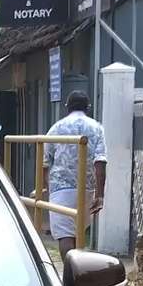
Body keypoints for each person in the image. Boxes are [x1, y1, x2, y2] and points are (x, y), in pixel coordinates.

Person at [42, 90, 107, 263]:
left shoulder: (56, 128)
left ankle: (71, 276)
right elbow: (100, 161)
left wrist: (48, 188)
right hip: (87, 187)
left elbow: (45, 162)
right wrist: (100, 194)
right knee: (78, 233)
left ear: (66, 107)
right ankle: (79, 273)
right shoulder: (97, 128)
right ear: (88, 107)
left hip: (60, 188)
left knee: (65, 235)